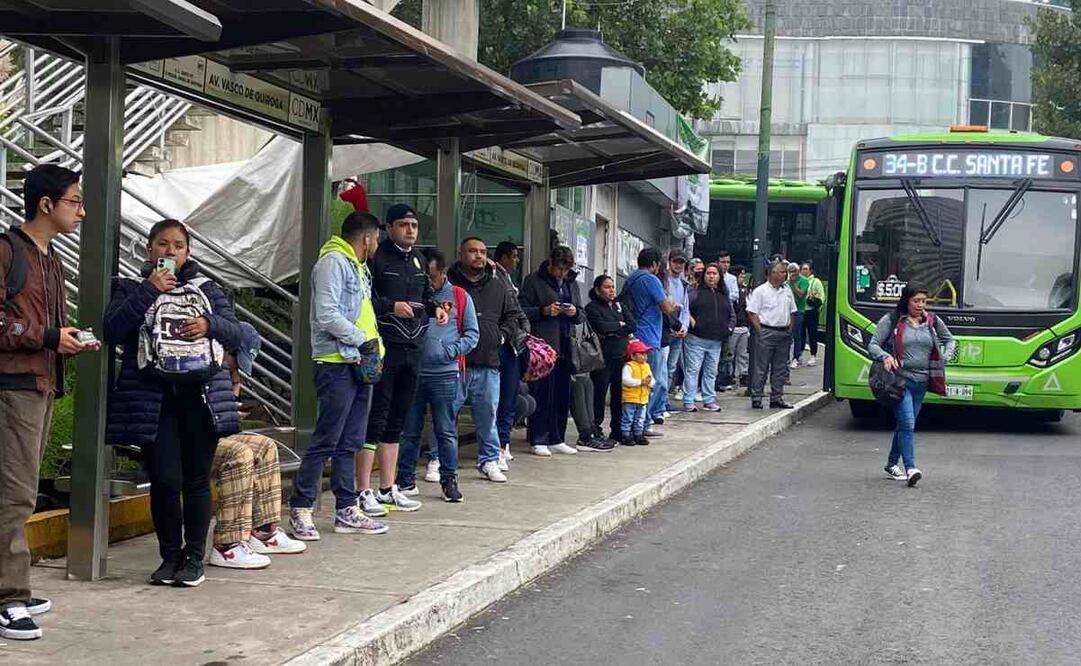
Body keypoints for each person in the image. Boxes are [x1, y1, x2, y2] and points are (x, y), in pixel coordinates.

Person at [104, 218, 245, 588]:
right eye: (163, 244)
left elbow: (237, 334)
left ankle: (194, 557)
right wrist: (148, 291)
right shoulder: (131, 287)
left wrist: (208, 324)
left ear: (188, 252)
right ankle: (169, 557)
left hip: (202, 398)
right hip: (154, 400)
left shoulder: (207, 289)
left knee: (196, 480)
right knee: (165, 481)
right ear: (149, 248)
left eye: (178, 245)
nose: (170, 251)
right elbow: (113, 331)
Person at [0, 165, 95, 640]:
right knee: (13, 496)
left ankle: (14, 588)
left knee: (20, 493)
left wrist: (67, 338)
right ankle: (8, 598)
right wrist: (50, 336)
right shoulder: (7, 250)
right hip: (11, 388)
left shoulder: (50, 258)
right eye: (75, 201)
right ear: (46, 204)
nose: (81, 210)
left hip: (40, 385)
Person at [288, 212, 387, 540]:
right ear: (367, 238)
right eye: (376, 239)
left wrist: (375, 349)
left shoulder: (358, 266)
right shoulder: (333, 262)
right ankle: (301, 507)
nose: (377, 245)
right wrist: (364, 340)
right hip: (336, 362)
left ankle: (346, 508)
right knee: (326, 439)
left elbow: (364, 313)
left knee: (351, 441)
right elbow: (327, 314)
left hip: (360, 361)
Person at [358, 204, 447, 516]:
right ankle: (363, 490)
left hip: (414, 348)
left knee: (399, 420)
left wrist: (436, 307)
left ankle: (388, 487)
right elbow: (366, 300)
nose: (411, 230)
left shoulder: (420, 260)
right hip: (385, 347)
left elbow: (425, 296)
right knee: (376, 417)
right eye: (404, 224)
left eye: (414, 225)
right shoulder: (376, 258)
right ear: (390, 227)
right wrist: (391, 306)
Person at [209, 333, 306, 570]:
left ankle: (264, 531)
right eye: (235, 361)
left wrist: (234, 386)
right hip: (193, 438)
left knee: (265, 446)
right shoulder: (205, 364)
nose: (235, 368)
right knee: (239, 453)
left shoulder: (225, 372)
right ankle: (227, 545)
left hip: (214, 432)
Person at [397, 248, 479, 503]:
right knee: (409, 430)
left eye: (431, 276)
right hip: (413, 371)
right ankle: (405, 480)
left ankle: (449, 479)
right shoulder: (413, 294)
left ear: (443, 273)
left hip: (444, 373)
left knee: (445, 429)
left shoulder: (459, 296)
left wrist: (451, 351)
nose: (427, 281)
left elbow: (472, 335)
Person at [448, 237, 522, 482]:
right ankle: (440, 460)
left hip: (488, 361)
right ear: (461, 254)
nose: (478, 256)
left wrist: (501, 337)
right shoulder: (448, 284)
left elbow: (512, 316)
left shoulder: (497, 286)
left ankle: (489, 460)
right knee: (447, 414)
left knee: (488, 415)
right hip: (455, 362)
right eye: (472, 251)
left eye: (482, 251)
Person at [868, 284, 955, 487]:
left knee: (904, 425)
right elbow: (873, 344)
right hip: (900, 381)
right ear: (906, 300)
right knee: (908, 423)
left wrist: (946, 357)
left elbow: (949, 340)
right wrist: (886, 356)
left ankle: (891, 464)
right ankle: (911, 468)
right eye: (916, 301)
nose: (920, 305)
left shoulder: (932, 321)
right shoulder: (892, 320)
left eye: (924, 301)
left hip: (922, 382)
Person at [519, 245, 584, 456]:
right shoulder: (533, 281)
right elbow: (521, 310)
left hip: (565, 344)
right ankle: (539, 437)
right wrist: (543, 311)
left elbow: (581, 314)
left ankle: (557, 437)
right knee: (542, 393)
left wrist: (574, 312)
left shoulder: (571, 283)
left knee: (562, 394)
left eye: (565, 271)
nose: (562, 274)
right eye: (559, 270)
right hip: (543, 347)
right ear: (551, 264)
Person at [622, 248, 676, 436]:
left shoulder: (631, 279)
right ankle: (644, 424)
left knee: (635, 382)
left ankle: (633, 423)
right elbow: (666, 307)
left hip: (633, 336)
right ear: (654, 264)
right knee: (651, 382)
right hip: (649, 338)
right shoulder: (651, 280)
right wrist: (672, 302)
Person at [491, 241, 529, 470]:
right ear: (503, 257)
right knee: (497, 399)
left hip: (513, 343)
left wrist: (524, 327)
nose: (516, 261)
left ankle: (503, 443)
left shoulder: (508, 280)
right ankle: (495, 446)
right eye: (513, 257)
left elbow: (517, 310)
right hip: (498, 343)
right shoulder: (494, 276)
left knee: (510, 397)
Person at [585, 274, 635, 444]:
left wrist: (615, 330)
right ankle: (595, 429)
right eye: (607, 287)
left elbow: (631, 325)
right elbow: (600, 327)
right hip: (602, 358)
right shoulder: (592, 307)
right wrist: (617, 326)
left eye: (612, 287)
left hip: (620, 356)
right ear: (598, 290)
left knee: (618, 395)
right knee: (598, 395)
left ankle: (618, 429)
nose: (611, 290)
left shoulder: (619, 305)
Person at [682, 264, 734, 412]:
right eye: (709, 273)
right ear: (704, 275)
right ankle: (689, 401)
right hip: (696, 339)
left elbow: (731, 314)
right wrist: (692, 322)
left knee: (711, 372)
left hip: (716, 341)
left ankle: (709, 399)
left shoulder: (724, 293)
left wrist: (728, 328)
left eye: (715, 273)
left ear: (719, 276)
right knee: (693, 370)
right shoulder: (694, 291)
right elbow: (686, 309)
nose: (711, 276)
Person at [746, 260, 798, 410]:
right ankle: (757, 397)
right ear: (772, 273)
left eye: (785, 272)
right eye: (782, 272)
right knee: (761, 367)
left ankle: (777, 397)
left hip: (783, 332)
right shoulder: (761, 291)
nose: (785, 275)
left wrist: (790, 329)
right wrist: (760, 331)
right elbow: (752, 312)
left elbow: (793, 311)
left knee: (780, 367)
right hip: (766, 331)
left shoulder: (787, 290)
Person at [665, 250, 690, 403]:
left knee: (671, 369)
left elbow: (686, 309)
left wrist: (684, 327)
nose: (678, 265)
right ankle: (657, 405)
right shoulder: (663, 281)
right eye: (676, 261)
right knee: (661, 370)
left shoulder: (683, 284)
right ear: (669, 261)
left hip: (679, 333)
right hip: (666, 332)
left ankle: (664, 402)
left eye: (681, 262)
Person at [620, 340, 654, 446]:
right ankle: (625, 435)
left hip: (642, 398)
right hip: (630, 398)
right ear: (633, 356)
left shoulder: (646, 366)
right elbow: (626, 380)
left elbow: (652, 379)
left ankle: (638, 434)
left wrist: (650, 383)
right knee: (628, 418)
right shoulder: (629, 366)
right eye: (641, 353)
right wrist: (641, 382)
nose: (645, 356)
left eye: (645, 354)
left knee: (640, 418)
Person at [728, 265, 752, 388]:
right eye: (741, 275)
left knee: (743, 353)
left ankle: (742, 375)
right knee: (730, 353)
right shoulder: (731, 291)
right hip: (734, 327)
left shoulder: (745, 289)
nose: (743, 277)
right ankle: (729, 375)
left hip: (744, 326)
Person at [801, 261, 825, 366]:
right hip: (801, 311)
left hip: (811, 312)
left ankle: (813, 356)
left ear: (810, 270)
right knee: (800, 335)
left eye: (806, 269)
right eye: (802, 269)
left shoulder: (816, 282)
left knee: (812, 334)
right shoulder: (799, 281)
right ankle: (798, 356)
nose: (804, 271)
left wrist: (817, 305)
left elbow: (822, 297)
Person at [787, 262, 810, 369]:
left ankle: (796, 357)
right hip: (787, 311)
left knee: (797, 334)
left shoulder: (804, 281)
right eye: (790, 272)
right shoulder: (786, 281)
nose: (792, 274)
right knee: (787, 335)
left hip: (798, 311)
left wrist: (793, 284)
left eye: (794, 272)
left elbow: (801, 295)